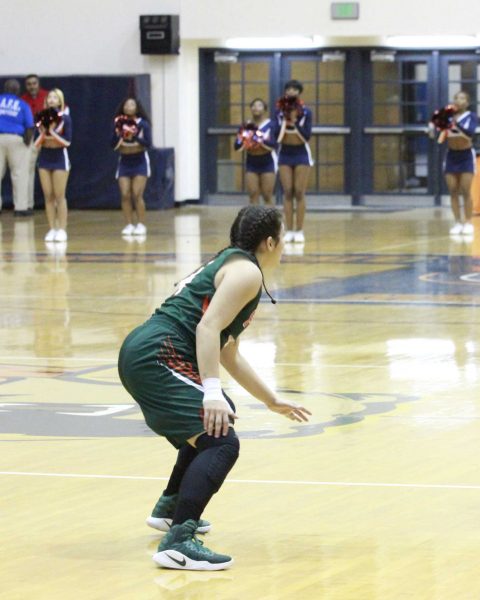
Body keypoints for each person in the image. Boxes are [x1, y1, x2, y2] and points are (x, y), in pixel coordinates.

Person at [118, 205, 312, 570]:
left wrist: (270, 400)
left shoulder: (233, 263)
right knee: (222, 440)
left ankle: (171, 509)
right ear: (269, 242)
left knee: (213, 423)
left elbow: (226, 350)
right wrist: (210, 392)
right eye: (282, 238)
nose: (284, 245)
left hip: (149, 350)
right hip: (156, 354)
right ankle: (179, 542)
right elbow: (206, 329)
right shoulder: (246, 273)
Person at [429, 90, 477, 235]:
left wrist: (452, 124)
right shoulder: (447, 116)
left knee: (465, 190)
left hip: (466, 155)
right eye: (456, 98)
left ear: (467, 102)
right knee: (453, 190)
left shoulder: (471, 116)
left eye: (462, 98)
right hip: (451, 155)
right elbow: (435, 125)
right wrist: (433, 127)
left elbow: (469, 132)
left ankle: (468, 222)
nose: (458, 100)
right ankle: (457, 222)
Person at [275, 80, 313, 244]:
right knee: (288, 191)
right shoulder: (278, 112)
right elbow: (276, 136)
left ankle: (299, 230)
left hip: (301, 153)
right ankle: (289, 230)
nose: (291, 91)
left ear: (299, 92)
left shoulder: (305, 112)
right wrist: (285, 119)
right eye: (288, 88)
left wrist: (295, 120)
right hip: (285, 153)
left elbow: (306, 136)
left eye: (294, 89)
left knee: (299, 191)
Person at [34, 89, 72, 242]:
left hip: (59, 158)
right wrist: (43, 133)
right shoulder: (41, 118)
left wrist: (51, 132)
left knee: (59, 196)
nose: (51, 99)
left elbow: (67, 142)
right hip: (44, 158)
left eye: (55, 97)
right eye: (49, 97)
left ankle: (62, 229)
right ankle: (52, 228)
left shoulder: (65, 118)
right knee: (48, 196)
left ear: (60, 101)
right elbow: (36, 144)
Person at [111, 97, 152, 236]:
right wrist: (120, 135)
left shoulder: (143, 124)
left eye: (132, 104)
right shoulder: (119, 124)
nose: (129, 106)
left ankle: (141, 224)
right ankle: (128, 224)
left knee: (137, 194)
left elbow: (148, 143)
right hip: (124, 162)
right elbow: (112, 144)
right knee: (125, 194)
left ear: (137, 107)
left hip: (140, 161)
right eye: (126, 104)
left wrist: (135, 137)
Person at [0, 79, 35, 216]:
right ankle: (20, 208)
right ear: (17, 90)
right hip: (16, 139)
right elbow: (29, 126)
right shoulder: (22, 104)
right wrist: (27, 143)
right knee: (20, 174)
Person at [235, 98, 276, 206]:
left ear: (264, 109)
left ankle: (269, 222)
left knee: (267, 195)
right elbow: (237, 146)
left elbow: (273, 145)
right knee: (253, 195)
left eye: (259, 105)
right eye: (253, 105)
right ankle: (255, 222)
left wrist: (257, 136)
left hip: (267, 161)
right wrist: (245, 139)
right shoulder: (245, 126)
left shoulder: (271, 125)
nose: (256, 108)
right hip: (251, 162)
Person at [21, 74, 49, 213]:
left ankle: (54, 203)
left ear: (39, 84)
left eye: (34, 83)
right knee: (28, 170)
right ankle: (27, 204)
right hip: (31, 138)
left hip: (49, 137)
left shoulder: (48, 96)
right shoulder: (22, 100)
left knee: (52, 170)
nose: (32, 86)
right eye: (29, 84)